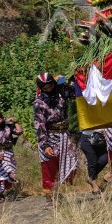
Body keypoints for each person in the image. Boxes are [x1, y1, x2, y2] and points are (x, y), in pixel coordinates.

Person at [33, 72, 77, 208]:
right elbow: (39, 124)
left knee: (72, 163)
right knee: (49, 168)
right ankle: (50, 199)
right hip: (48, 137)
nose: (48, 88)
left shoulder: (62, 92)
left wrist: (68, 78)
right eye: (45, 86)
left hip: (64, 134)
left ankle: (61, 192)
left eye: (50, 84)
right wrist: (45, 144)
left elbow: (75, 90)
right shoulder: (39, 102)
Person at [0, 110, 23, 200]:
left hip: (8, 152)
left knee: (10, 172)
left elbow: (19, 132)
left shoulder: (8, 127)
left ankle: (8, 190)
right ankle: (0, 193)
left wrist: (15, 122)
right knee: (0, 173)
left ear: (2, 119)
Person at [78, 130, 108, 195]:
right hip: (86, 138)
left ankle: (90, 177)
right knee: (93, 161)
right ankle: (95, 187)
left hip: (101, 139)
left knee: (104, 160)